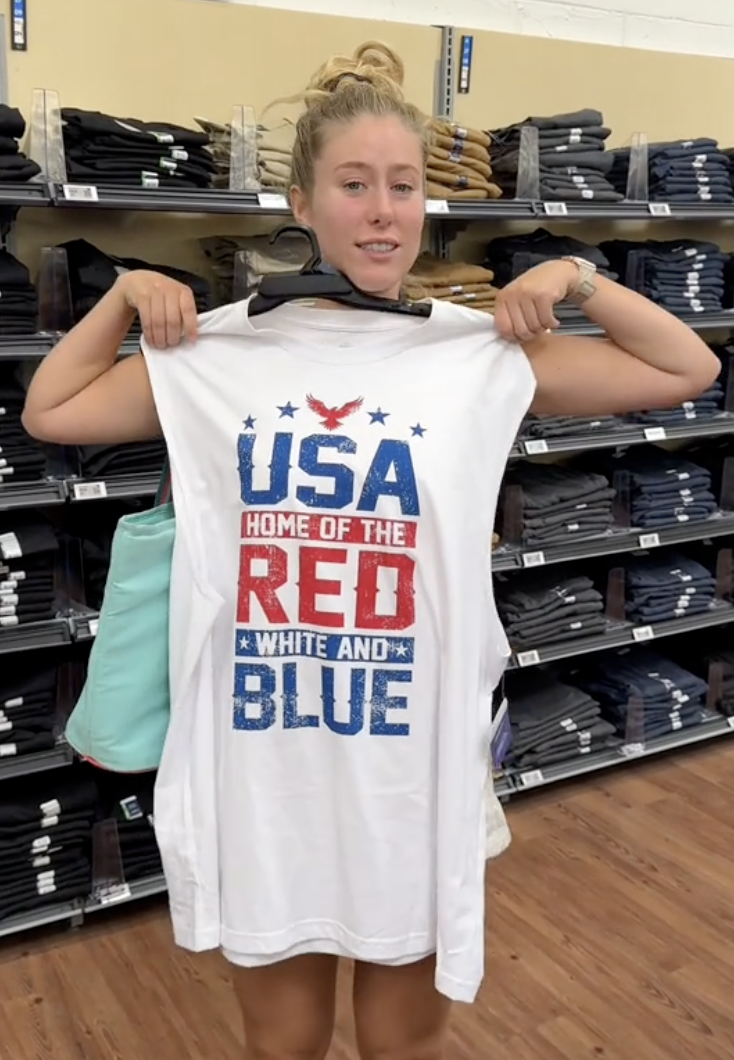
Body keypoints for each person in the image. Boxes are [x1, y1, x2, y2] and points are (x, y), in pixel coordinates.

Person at [23, 40, 718, 1060]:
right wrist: (123, 298)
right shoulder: (217, 357)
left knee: (402, 1039)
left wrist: (579, 276)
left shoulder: (474, 355)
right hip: (264, 762)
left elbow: (684, 366)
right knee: (284, 1041)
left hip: (411, 760)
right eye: (353, 185)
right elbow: (53, 410)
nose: (383, 210)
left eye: (401, 186)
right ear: (301, 200)